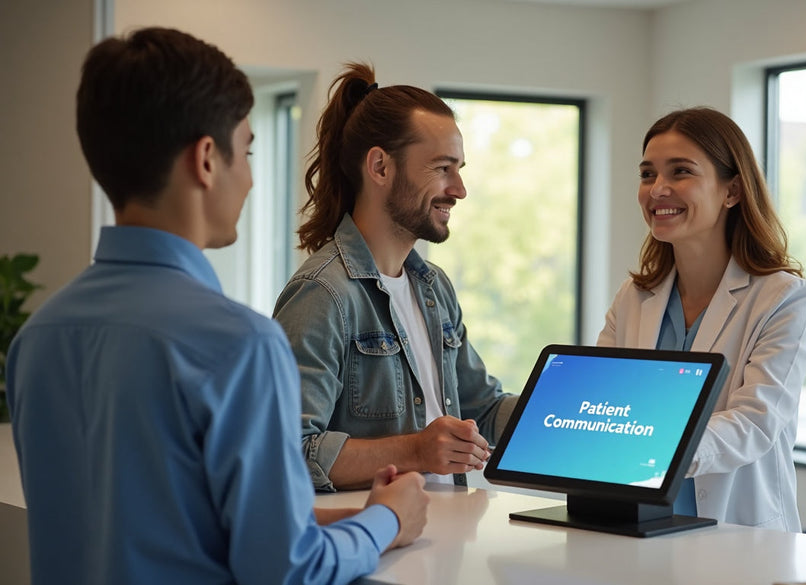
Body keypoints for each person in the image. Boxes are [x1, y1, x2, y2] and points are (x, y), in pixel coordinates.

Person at [6, 28, 428, 585]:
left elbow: (162, 527)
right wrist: (388, 519)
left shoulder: (37, 339)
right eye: (248, 150)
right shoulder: (238, 344)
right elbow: (287, 571)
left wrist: (351, 517)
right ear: (207, 159)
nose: (251, 177)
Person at [272, 62, 517, 492]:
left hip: (444, 542)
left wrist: (570, 413)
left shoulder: (433, 287)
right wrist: (416, 451)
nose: (459, 189)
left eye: (459, 169)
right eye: (442, 168)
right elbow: (289, 450)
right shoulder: (323, 294)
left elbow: (483, 407)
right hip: (375, 552)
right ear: (380, 168)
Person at [597, 107, 806, 532]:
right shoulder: (634, 296)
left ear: (731, 190)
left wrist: (659, 450)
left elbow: (754, 423)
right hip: (640, 528)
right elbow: (608, 402)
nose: (658, 189)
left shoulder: (782, 298)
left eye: (680, 172)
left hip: (739, 534)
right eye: (647, 174)